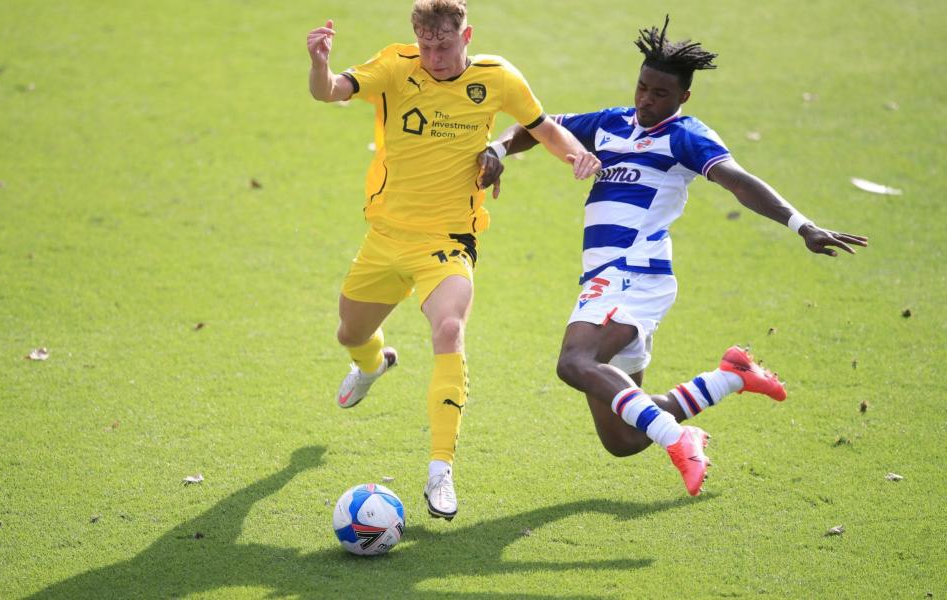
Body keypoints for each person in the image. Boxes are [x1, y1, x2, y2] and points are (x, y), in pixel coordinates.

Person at [478, 16, 868, 496]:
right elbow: (539, 127)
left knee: (573, 362)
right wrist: (497, 148)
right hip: (605, 278)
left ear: (683, 97)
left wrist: (801, 224)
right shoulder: (610, 123)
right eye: (642, 87)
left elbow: (738, 182)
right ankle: (730, 377)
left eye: (659, 93)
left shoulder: (685, 135)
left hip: (633, 273)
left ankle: (678, 437)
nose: (646, 99)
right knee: (623, 438)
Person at [307, 0, 601, 520]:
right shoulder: (396, 67)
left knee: (448, 330)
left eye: (443, 45)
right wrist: (320, 63)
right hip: (385, 238)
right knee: (349, 334)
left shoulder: (497, 77)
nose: (433, 56)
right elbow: (329, 92)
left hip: (448, 240)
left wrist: (575, 153)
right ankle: (373, 363)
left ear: (467, 37)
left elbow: (542, 126)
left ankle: (440, 470)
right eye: (425, 45)